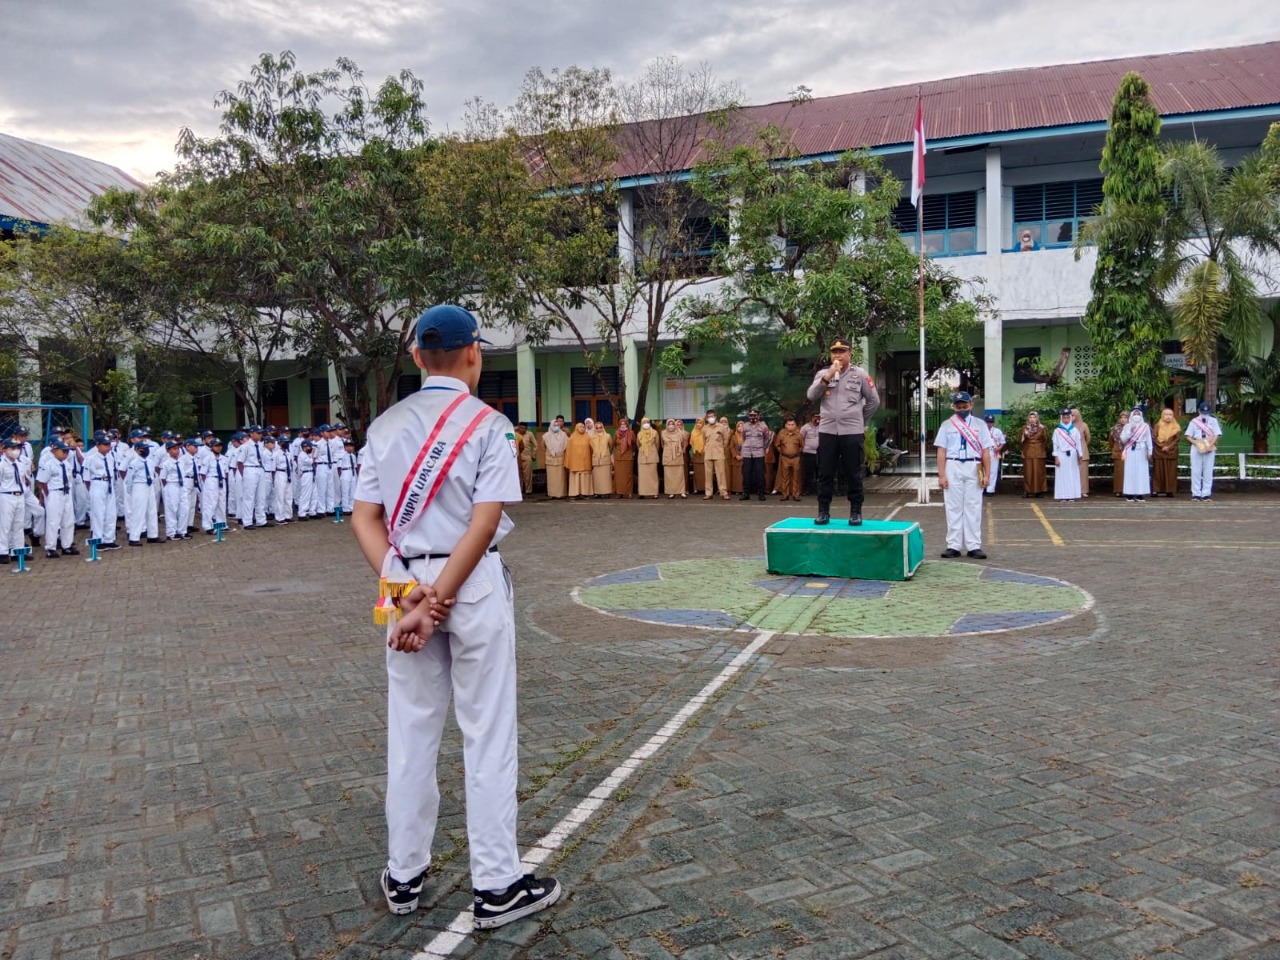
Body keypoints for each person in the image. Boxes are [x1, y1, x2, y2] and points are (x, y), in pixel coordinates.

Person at [350, 303, 560, 929]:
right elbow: (485, 522)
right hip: (471, 583)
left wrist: (408, 596)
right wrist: (440, 597)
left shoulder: (384, 426)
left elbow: (365, 518)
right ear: (475, 353)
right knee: (486, 732)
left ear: (417, 356)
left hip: (401, 586)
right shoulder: (489, 424)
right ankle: (496, 885)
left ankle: (404, 875)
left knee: (410, 732)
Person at [806, 337, 880, 525]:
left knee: (853, 473)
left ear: (850, 354)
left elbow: (874, 401)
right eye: (834, 352)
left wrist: (859, 421)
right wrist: (828, 376)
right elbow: (811, 396)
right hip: (828, 431)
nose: (838, 355)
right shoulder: (823, 373)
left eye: (842, 352)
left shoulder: (860, 374)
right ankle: (823, 511)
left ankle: (856, 511)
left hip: (852, 432)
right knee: (825, 473)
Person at [934, 391, 992, 559]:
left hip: (974, 465)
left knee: (973, 506)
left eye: (964, 406)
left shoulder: (980, 425)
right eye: (958, 406)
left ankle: (974, 546)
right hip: (953, 465)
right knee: (953, 506)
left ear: (971, 405)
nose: (962, 409)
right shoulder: (947, 425)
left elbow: (986, 452)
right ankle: (953, 545)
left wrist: (987, 475)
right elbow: (941, 451)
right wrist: (942, 475)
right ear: (953, 407)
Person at [36, 439, 79, 558]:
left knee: (68, 520)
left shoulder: (67, 464)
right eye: (63, 451)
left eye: (67, 451)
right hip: (54, 492)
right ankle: (51, 547)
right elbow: (42, 481)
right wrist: (48, 495)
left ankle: (67, 545)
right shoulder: (49, 464)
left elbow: (69, 480)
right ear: (54, 451)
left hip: (66, 492)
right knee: (53, 521)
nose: (65, 453)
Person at [83, 433, 121, 549]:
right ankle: (97, 540)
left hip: (109, 484)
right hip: (97, 483)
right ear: (98, 445)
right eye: (105, 445)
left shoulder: (111, 457)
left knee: (111, 513)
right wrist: (92, 490)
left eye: (109, 444)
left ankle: (109, 539)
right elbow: (86, 478)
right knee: (98, 514)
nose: (108, 447)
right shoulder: (91, 458)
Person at [123, 441, 161, 545]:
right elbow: (129, 478)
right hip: (139, 485)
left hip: (149, 485)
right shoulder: (134, 462)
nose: (146, 451)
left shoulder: (150, 462)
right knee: (138, 512)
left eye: (147, 448)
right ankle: (134, 538)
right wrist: (130, 491)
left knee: (152, 511)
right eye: (143, 449)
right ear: (137, 450)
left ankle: (153, 536)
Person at [1184, 401, 1223, 502]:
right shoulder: (1194, 421)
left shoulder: (1213, 421)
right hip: (1196, 445)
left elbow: (1217, 434)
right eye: (1203, 412)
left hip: (1209, 444)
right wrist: (1196, 443)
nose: (1205, 414)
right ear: (1198, 411)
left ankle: (1206, 494)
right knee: (1196, 471)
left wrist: (1210, 445)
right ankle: (1196, 494)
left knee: (1208, 471)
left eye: (1206, 412)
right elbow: (1188, 436)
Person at [1, 438, 31, 563]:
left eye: (18, 448)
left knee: (18, 525)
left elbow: (22, 479)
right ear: (5, 449)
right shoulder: (2, 464)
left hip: (19, 495)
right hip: (6, 496)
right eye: (13, 448)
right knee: (4, 525)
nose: (16, 451)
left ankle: (17, 551)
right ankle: (3, 552)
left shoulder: (19, 463)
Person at [159, 441, 190, 541]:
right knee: (172, 509)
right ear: (168, 450)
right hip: (171, 485)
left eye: (178, 448)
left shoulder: (181, 462)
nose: (177, 451)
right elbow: (163, 478)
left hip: (181, 485)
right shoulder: (166, 463)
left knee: (184, 508)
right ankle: (171, 532)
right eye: (174, 449)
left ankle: (182, 530)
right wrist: (167, 489)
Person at [1120, 407, 1152, 502]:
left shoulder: (1145, 426)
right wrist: (1130, 431)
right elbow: (1123, 439)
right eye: (1135, 414)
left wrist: (1150, 451)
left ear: (1141, 415)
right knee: (1130, 472)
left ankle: (1140, 494)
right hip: (1130, 450)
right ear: (1131, 415)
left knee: (1141, 472)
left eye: (1138, 414)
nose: (1136, 416)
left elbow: (1149, 439)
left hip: (1142, 450)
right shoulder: (1127, 426)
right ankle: (1129, 494)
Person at [739, 410, 773, 501]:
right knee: (746, 473)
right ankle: (746, 493)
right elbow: (743, 437)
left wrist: (762, 447)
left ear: (758, 416)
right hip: (747, 453)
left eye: (754, 415)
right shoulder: (745, 426)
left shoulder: (763, 426)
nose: (752, 417)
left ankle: (761, 493)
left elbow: (766, 439)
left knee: (760, 473)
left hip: (758, 453)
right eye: (751, 415)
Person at [1051, 409, 1083, 501]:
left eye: (1068, 417)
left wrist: (1080, 455)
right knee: (1062, 476)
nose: (1066, 419)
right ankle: (1062, 496)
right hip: (1061, 454)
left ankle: (1072, 495)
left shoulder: (1075, 430)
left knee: (1072, 475)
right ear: (1061, 418)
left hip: (1072, 455)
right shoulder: (1057, 431)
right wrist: (1056, 457)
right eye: (1064, 418)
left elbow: (1078, 444)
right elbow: (1055, 445)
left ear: (1070, 418)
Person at [199, 437, 229, 533]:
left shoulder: (224, 459)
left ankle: (221, 524)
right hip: (211, 479)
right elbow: (203, 474)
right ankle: (208, 526)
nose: (218, 448)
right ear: (211, 447)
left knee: (221, 503)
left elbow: (226, 472)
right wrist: (207, 484)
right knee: (210, 504)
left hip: (221, 480)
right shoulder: (207, 458)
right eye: (216, 446)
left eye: (220, 446)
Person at [700, 410, 731, 500]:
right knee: (708, 474)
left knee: (721, 473)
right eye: (709, 417)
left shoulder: (721, 427)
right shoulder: (704, 428)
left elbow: (725, 440)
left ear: (715, 417)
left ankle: (724, 492)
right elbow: (704, 440)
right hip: (708, 453)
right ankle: (708, 493)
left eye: (712, 416)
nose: (711, 418)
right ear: (707, 418)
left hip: (719, 453)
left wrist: (721, 448)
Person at [773, 416, 805, 501]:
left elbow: (802, 445)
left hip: (796, 458)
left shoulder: (799, 435)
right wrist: (782, 452)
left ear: (795, 425)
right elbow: (777, 445)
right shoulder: (781, 434)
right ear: (786, 425)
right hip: (785, 458)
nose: (791, 426)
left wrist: (797, 452)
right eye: (789, 424)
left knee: (796, 477)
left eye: (792, 424)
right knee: (784, 477)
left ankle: (796, 494)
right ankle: (785, 494)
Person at [1152, 408, 1181, 497]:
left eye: (1170, 415)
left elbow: (1177, 439)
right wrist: (1162, 446)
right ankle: (1156, 490)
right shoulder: (1158, 425)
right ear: (1162, 415)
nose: (1168, 417)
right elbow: (1154, 437)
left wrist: (1168, 447)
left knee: (1171, 472)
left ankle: (1170, 490)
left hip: (1171, 452)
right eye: (1166, 414)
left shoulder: (1176, 426)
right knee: (1158, 472)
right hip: (1159, 451)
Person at [1019, 413, 1048, 498]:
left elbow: (1045, 440)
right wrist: (1024, 436)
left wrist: (1040, 447)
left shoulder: (1042, 428)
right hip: (1028, 451)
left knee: (1039, 472)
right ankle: (1027, 491)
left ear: (1037, 418)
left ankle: (1039, 491)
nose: (1032, 419)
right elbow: (1020, 440)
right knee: (1028, 472)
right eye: (1030, 417)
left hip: (1039, 452)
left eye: (1034, 417)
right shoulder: (1024, 428)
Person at [541, 417, 568, 500]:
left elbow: (567, 445)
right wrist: (551, 452)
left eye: (557, 425)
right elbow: (543, 447)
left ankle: (561, 494)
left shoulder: (563, 435)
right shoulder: (546, 436)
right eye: (554, 425)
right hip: (550, 459)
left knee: (560, 478)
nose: (556, 427)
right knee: (551, 478)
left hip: (560, 459)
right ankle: (552, 493)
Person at [564, 421, 593, 499]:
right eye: (580, 427)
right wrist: (569, 461)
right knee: (575, 477)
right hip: (575, 463)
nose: (582, 428)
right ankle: (575, 493)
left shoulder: (588, 437)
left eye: (583, 427)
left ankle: (585, 493)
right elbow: (569, 451)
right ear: (576, 428)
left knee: (584, 477)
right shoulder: (572, 438)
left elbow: (591, 450)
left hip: (585, 461)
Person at [661, 418, 688, 498]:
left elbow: (683, 443)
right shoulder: (663, 433)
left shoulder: (680, 433)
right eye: (669, 424)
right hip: (668, 456)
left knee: (680, 475)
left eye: (672, 424)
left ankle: (682, 492)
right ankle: (671, 492)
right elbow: (662, 445)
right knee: (669, 476)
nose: (671, 426)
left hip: (678, 456)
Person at [588, 420, 614, 498]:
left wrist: (606, 453)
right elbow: (590, 448)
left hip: (605, 459)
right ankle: (597, 492)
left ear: (603, 427)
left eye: (600, 427)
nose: (599, 429)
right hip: (596, 459)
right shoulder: (591, 437)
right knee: (597, 478)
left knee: (606, 477)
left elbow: (611, 446)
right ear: (595, 428)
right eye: (597, 427)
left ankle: (607, 492)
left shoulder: (607, 436)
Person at [636, 419, 660, 497]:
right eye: (644, 422)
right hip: (642, 457)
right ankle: (642, 493)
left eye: (647, 422)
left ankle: (654, 493)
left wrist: (652, 451)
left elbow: (657, 444)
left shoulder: (654, 433)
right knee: (642, 476)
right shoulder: (639, 434)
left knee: (653, 475)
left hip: (652, 456)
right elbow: (638, 445)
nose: (646, 424)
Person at [612, 419, 635, 498]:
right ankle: (619, 493)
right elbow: (613, 444)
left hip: (628, 457)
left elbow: (634, 444)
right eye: (621, 424)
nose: (623, 426)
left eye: (624, 424)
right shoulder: (616, 433)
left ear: (627, 425)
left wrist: (630, 451)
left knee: (628, 476)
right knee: (619, 476)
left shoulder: (631, 433)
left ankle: (629, 493)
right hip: (618, 458)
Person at [984, 414, 1006, 496]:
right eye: (988, 422)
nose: (989, 423)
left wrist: (999, 448)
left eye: (991, 422)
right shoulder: (981, 431)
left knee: (993, 471)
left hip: (994, 452)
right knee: (983, 470)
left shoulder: (997, 431)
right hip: (984, 452)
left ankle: (990, 490)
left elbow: (1002, 442)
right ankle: (983, 488)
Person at [1072, 408, 1092, 497]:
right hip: (1071, 451)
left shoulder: (1084, 425)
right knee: (1072, 472)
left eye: (1073, 415)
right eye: (1070, 415)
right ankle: (1073, 490)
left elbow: (1088, 438)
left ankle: (1083, 490)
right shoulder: (1068, 426)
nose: (1071, 417)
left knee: (1083, 473)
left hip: (1083, 452)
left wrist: (1083, 445)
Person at [800, 412, 821, 495]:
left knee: (820, 471)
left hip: (819, 452)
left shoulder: (822, 426)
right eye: (815, 417)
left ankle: (819, 490)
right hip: (808, 452)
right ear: (811, 418)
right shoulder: (805, 427)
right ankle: (807, 489)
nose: (817, 419)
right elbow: (800, 438)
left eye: (818, 417)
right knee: (809, 471)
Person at [1109, 411, 1128, 498]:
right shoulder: (1114, 429)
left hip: (1130, 453)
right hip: (1118, 452)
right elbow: (1111, 441)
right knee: (1119, 472)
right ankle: (1118, 490)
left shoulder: (1132, 428)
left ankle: (1129, 490)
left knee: (1128, 472)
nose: (1123, 419)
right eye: (1121, 417)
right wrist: (1117, 447)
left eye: (1125, 418)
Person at [514, 424, 535, 496]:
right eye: (521, 428)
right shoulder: (515, 434)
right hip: (518, 458)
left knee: (528, 476)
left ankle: (528, 491)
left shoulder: (530, 434)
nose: (522, 429)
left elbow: (535, 445)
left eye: (524, 428)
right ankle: (520, 490)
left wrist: (533, 454)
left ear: (527, 429)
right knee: (518, 475)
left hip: (527, 457)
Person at [689, 417, 706, 494]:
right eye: (697, 423)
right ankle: (696, 489)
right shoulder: (693, 432)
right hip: (696, 454)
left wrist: (703, 450)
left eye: (700, 423)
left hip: (704, 454)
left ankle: (705, 488)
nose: (698, 424)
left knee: (704, 473)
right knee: (696, 473)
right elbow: (691, 443)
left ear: (703, 424)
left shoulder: (705, 432)